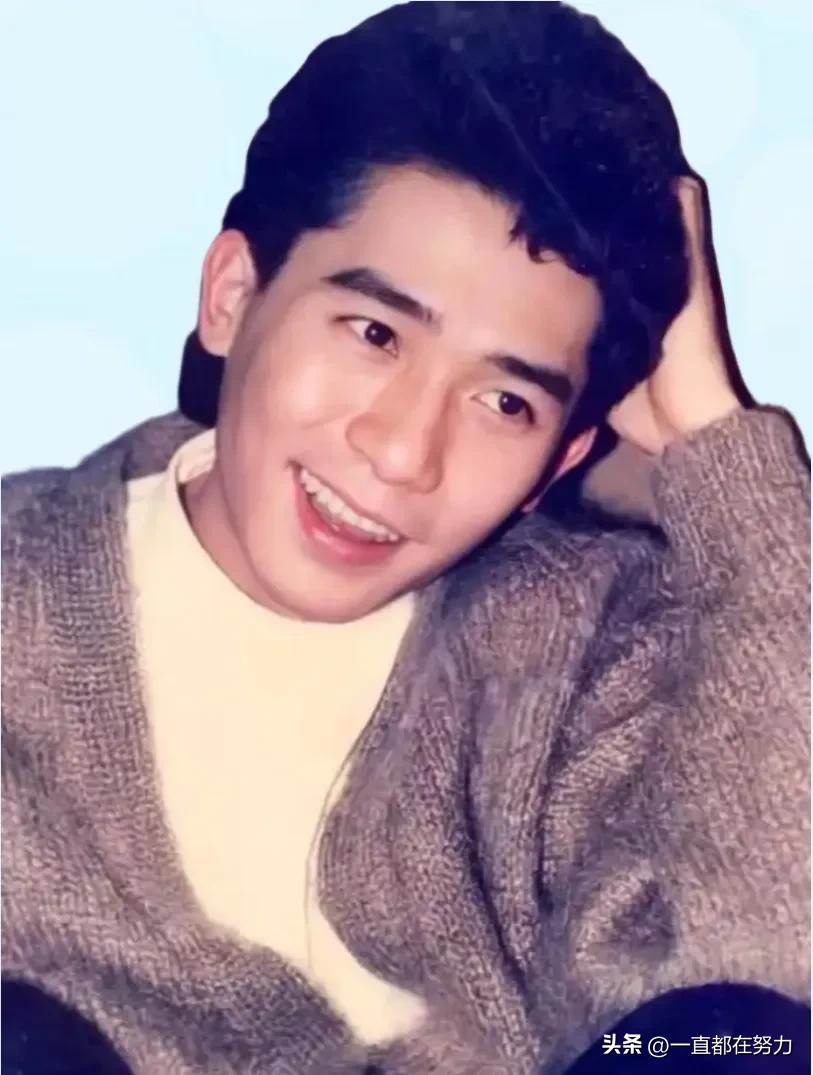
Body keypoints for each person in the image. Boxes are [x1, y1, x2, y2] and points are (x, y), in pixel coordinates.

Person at [2, 3, 809, 1073]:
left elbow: (772, 974)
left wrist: (722, 450)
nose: (401, 453)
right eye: (375, 332)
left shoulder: (587, 651)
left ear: (557, 462)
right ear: (233, 295)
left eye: (505, 403)